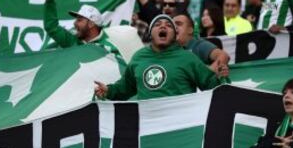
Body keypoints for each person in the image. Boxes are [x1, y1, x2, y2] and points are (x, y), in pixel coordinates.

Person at [94, 14, 229, 100]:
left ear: (175, 35)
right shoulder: (139, 57)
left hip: (183, 126)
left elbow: (212, 87)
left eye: (169, 25)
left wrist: (221, 76)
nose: (163, 26)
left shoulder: (188, 58)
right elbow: (125, 88)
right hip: (147, 127)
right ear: (150, 34)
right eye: (157, 25)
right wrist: (109, 90)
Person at [43, 0, 125, 64]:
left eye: (79, 20)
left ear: (91, 24)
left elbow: (120, 72)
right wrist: (50, 1)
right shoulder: (71, 40)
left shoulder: (109, 48)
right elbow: (52, 27)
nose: (74, 23)